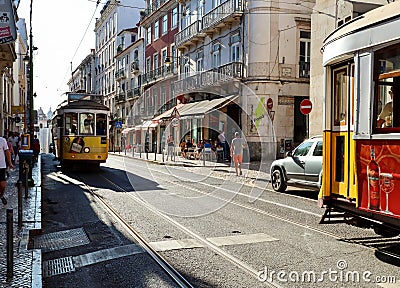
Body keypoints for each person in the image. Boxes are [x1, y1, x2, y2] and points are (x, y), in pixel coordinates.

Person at [0, 136, 14, 205]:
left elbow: (7, 152)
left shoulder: (2, 140)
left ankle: (1, 195)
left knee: (3, 185)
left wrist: (10, 163)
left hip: (1, 166)